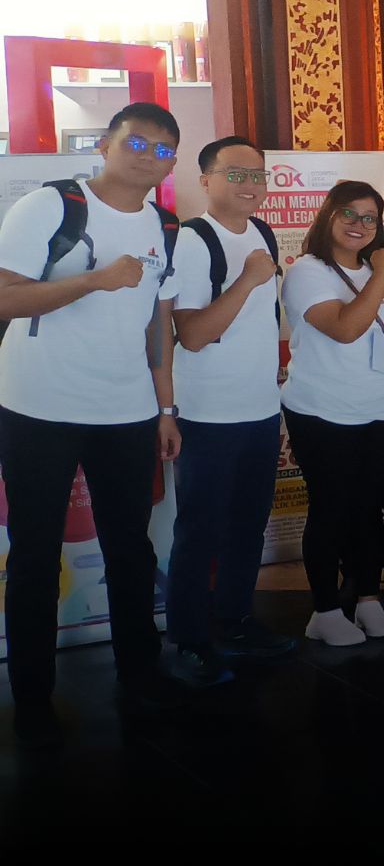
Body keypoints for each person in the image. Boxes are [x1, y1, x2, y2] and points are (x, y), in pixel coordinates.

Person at [0, 103, 189, 744]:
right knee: (34, 552)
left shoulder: (166, 227)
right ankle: (32, 698)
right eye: (137, 142)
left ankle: (140, 675)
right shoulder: (51, 206)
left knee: (130, 547)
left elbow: (159, 324)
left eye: (163, 150)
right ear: (105, 145)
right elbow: (6, 296)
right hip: (39, 405)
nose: (148, 156)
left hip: (126, 410)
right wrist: (93, 281)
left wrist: (165, 408)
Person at [280, 181, 384, 647]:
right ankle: (325, 610)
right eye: (348, 213)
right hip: (322, 412)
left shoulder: (381, 270)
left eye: (369, 217)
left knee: (369, 508)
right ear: (328, 215)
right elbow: (345, 329)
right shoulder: (308, 272)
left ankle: (367, 598)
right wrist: (381, 274)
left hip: (381, 410)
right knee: (331, 508)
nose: (359, 224)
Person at [168, 135, 293, 684]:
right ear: (206, 180)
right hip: (207, 414)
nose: (249, 185)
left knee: (247, 526)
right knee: (200, 530)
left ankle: (236, 621)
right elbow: (193, 335)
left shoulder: (261, 232)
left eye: (257, 175)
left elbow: (263, 320)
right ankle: (190, 639)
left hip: (260, 407)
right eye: (235, 174)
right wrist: (247, 278)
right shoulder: (193, 241)